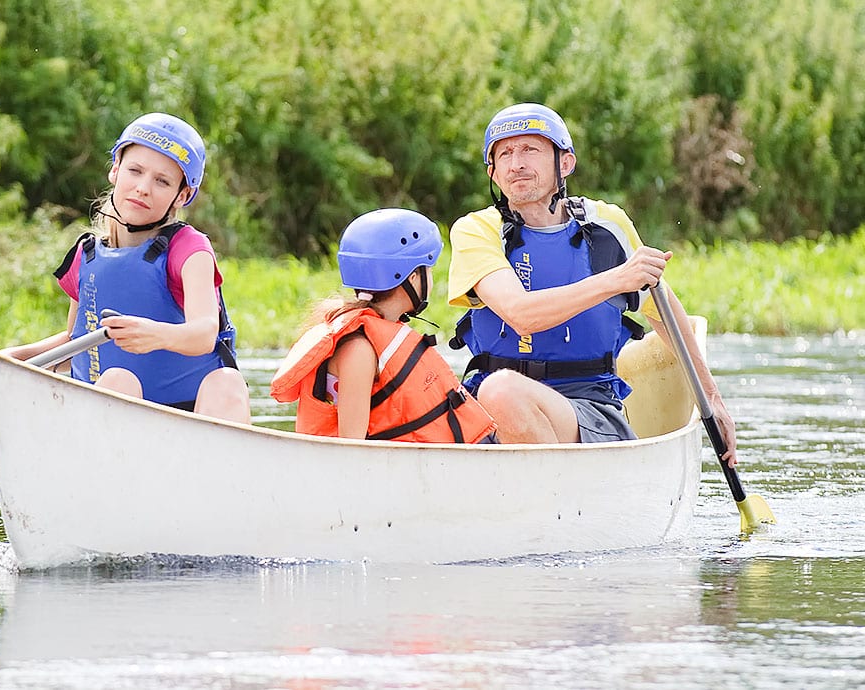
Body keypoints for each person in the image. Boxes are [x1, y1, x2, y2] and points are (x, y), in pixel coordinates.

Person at [445, 102, 738, 463]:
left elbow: (662, 310)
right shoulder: (476, 230)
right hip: (492, 407)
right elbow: (521, 315)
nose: (516, 163)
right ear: (493, 172)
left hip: (590, 406)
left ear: (564, 163)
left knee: (502, 391)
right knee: (498, 391)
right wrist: (616, 279)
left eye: (529, 150)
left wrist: (712, 400)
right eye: (504, 154)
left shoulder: (607, 226)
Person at [2, 112, 251, 423]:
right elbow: (74, 342)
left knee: (226, 382)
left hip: (190, 420)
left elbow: (204, 333)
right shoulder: (86, 255)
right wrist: (9, 361)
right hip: (113, 418)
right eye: (135, 171)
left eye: (162, 181)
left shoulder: (190, 249)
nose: (143, 188)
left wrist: (156, 336)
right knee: (118, 379)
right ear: (115, 171)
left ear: (182, 195)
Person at [270, 208, 497, 443]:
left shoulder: (373, 334)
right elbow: (351, 447)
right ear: (411, 277)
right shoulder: (359, 349)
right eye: (427, 269)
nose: (430, 278)